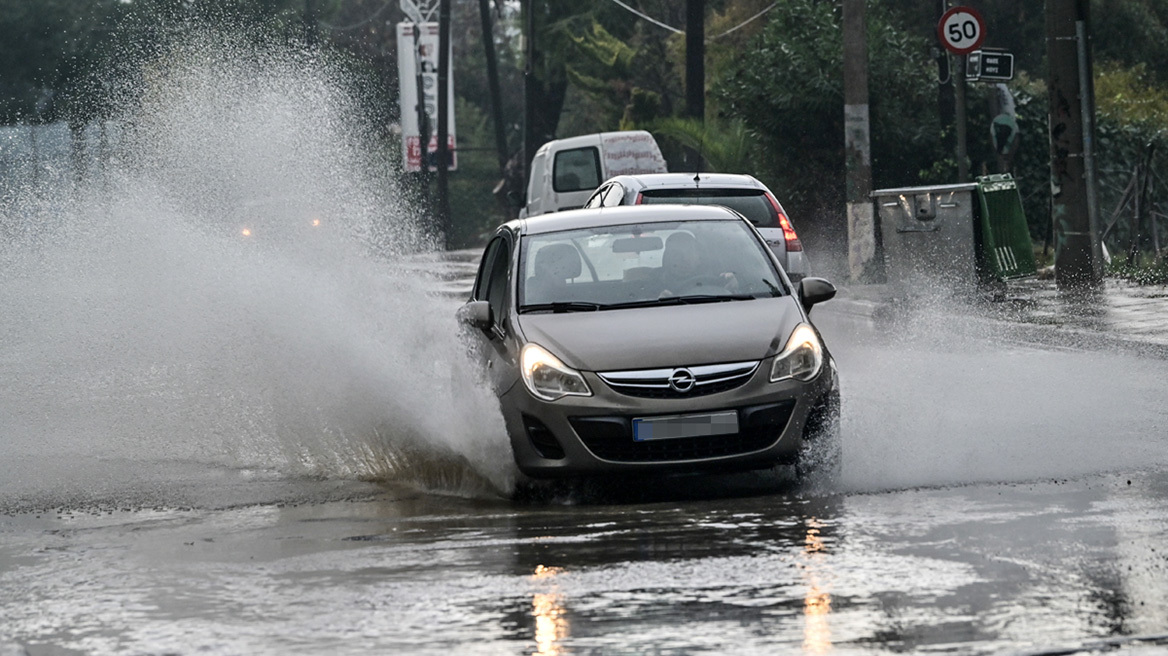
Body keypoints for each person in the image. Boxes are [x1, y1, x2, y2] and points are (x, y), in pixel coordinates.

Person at [659, 231, 737, 296]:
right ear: (667, 258)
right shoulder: (653, 284)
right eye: (676, 254)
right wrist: (660, 302)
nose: (685, 259)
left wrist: (734, 284)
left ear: (699, 257)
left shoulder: (718, 276)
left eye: (689, 253)